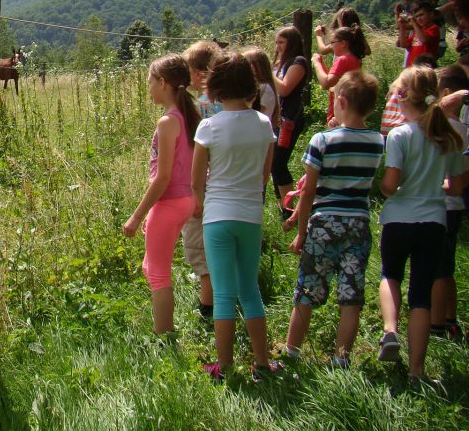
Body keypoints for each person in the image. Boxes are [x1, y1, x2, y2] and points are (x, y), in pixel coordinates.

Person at [284, 72, 384, 367]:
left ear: (340, 101)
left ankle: (291, 352)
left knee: (307, 288)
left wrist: (301, 232)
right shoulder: (378, 141)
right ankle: (341, 358)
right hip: (358, 223)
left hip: (325, 222)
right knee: (351, 294)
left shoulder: (322, 140)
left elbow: (310, 190)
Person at [191, 51, 277, 381]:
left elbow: (197, 181)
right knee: (250, 291)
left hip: (217, 217)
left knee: (224, 294)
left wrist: (200, 200)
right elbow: (265, 176)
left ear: (215, 85)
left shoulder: (209, 127)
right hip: (250, 213)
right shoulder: (263, 123)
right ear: (250, 86)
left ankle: (223, 368)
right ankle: (263, 365)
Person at [377, 66, 466, 384]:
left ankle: (389, 331)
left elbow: (390, 185)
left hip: (398, 219)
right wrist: (431, 186)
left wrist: (389, 188)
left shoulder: (399, 136)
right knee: (421, 297)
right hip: (433, 223)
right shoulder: (447, 136)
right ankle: (417, 371)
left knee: (390, 275)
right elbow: (455, 188)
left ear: (401, 97)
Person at [122, 55, 201, 337]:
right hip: (185, 200)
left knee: (157, 272)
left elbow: (163, 176)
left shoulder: (168, 122)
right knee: (152, 266)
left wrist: (136, 215)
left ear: (164, 83)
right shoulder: (190, 116)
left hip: (169, 202)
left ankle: (164, 336)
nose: (149, 87)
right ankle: (165, 331)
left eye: (151, 82)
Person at [181, 40, 223, 321]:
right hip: (231, 184)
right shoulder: (232, 100)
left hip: (207, 183)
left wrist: (195, 192)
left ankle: (208, 310)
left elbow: (202, 152)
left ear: (197, 74)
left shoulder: (205, 105)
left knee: (199, 245)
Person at [430, 66, 469, 340]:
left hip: (442, 203)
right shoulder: (463, 128)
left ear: (445, 94)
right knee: (447, 265)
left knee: (437, 269)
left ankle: (436, 325)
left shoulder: (445, 128)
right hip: (454, 205)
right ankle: (450, 319)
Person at [271, 26, 310, 217]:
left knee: (278, 162)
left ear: (291, 43)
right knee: (272, 163)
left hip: (289, 120)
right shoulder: (281, 62)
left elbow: (285, 89)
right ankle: (282, 205)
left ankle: (289, 207)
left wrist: (267, 71)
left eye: (281, 42)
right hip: (277, 118)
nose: (278, 47)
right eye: (276, 42)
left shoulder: (298, 62)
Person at [311, 25, 363, 126]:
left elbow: (326, 83)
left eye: (332, 43)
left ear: (343, 43)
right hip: (351, 108)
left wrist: (316, 63)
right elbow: (332, 80)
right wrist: (322, 64)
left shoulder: (342, 60)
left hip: (339, 109)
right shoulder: (354, 59)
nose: (331, 46)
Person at [396, 0, 440, 68]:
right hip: (412, 68)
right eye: (416, 16)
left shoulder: (434, 28)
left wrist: (414, 23)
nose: (419, 18)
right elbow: (403, 44)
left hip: (424, 69)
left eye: (421, 15)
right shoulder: (419, 32)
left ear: (431, 14)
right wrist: (402, 27)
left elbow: (424, 40)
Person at [243, 47, 279, 125]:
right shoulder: (259, 87)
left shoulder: (264, 88)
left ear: (255, 67)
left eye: (244, 65)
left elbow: (255, 115)